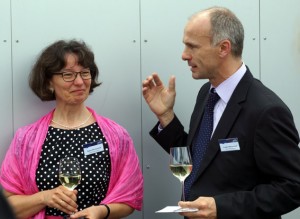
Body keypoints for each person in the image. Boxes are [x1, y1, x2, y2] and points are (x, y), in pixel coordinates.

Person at [142, 6, 300, 219]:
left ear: (224, 48)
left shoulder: (266, 110)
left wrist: (222, 207)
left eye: (192, 46)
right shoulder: (206, 93)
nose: (184, 55)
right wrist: (166, 117)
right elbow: (200, 159)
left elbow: (292, 187)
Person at [0, 39, 143, 219]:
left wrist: (102, 211)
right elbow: (6, 205)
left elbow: (130, 198)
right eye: (68, 75)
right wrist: (44, 198)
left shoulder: (116, 136)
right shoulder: (26, 139)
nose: (79, 82)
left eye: (85, 73)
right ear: (49, 82)